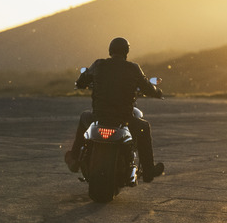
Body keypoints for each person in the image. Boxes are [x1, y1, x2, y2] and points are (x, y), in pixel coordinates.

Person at [64, 37, 165, 182]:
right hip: (123, 118)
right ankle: (148, 171)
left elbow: (83, 79)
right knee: (144, 127)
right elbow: (147, 87)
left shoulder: (99, 64)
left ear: (110, 50)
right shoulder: (133, 68)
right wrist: (157, 92)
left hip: (99, 117)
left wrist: (80, 83)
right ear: (126, 52)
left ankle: (74, 158)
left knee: (84, 116)